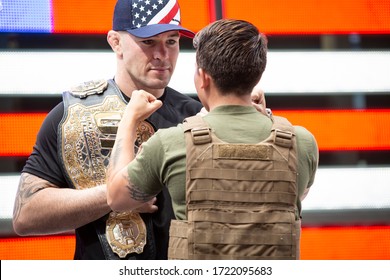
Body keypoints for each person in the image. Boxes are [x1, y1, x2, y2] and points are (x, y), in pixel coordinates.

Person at [12, 0, 266, 260]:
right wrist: (117, 194)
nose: (162, 55)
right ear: (115, 42)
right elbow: (25, 215)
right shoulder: (72, 117)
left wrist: (258, 133)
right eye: (148, 42)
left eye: (171, 41)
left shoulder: (198, 115)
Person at [106, 19, 319, 260]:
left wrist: (129, 121)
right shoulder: (300, 142)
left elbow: (116, 198)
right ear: (256, 76)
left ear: (203, 77)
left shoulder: (172, 144)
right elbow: (292, 196)